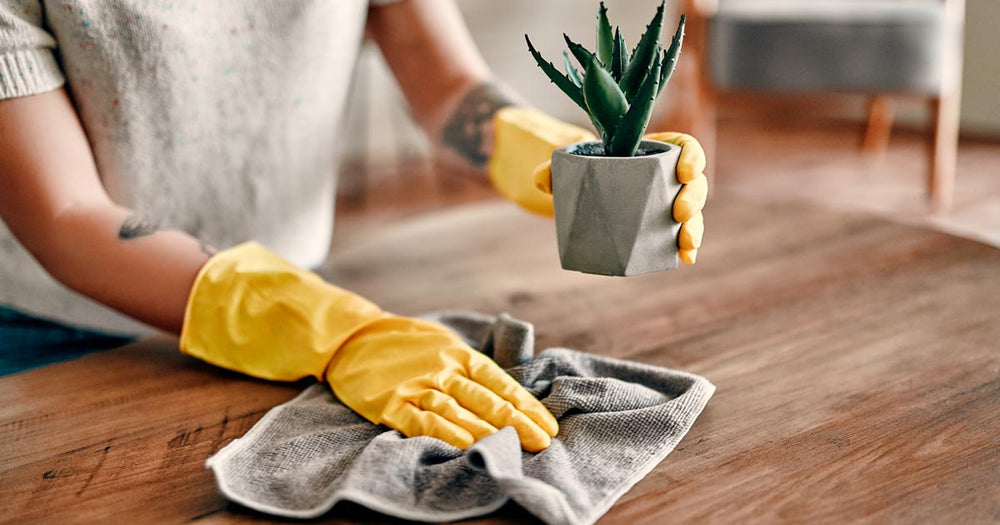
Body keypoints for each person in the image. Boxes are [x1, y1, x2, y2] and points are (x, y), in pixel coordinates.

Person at [0, 0, 707, 452]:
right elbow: (65, 215)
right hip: (64, 343)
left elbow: (446, 85)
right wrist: (340, 331)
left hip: (300, 315)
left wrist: (560, 159)